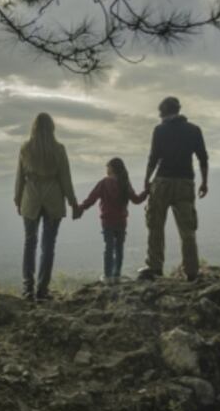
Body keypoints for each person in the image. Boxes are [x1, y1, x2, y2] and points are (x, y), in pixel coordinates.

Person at [138, 96, 209, 281]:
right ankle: (192, 271)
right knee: (188, 229)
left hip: (162, 182)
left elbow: (153, 158)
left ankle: (154, 267)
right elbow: (203, 157)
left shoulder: (160, 130)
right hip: (186, 182)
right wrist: (204, 182)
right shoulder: (194, 130)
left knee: (155, 225)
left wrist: (146, 179)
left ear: (163, 112)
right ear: (178, 109)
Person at [14, 112, 79, 301]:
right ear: (52, 128)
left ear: (33, 127)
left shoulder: (25, 148)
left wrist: (18, 199)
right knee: (48, 246)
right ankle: (42, 290)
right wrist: (73, 202)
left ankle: (27, 289)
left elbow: (20, 177)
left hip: (31, 198)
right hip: (53, 200)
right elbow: (65, 177)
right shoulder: (58, 149)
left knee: (29, 243)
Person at [73, 157, 148, 283]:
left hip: (107, 221)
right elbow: (136, 200)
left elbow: (91, 199)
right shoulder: (125, 183)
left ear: (112, 168)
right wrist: (147, 192)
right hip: (121, 221)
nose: (106, 169)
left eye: (107, 167)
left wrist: (80, 209)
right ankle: (116, 275)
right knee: (119, 248)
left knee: (109, 247)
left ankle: (107, 276)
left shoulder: (104, 183)